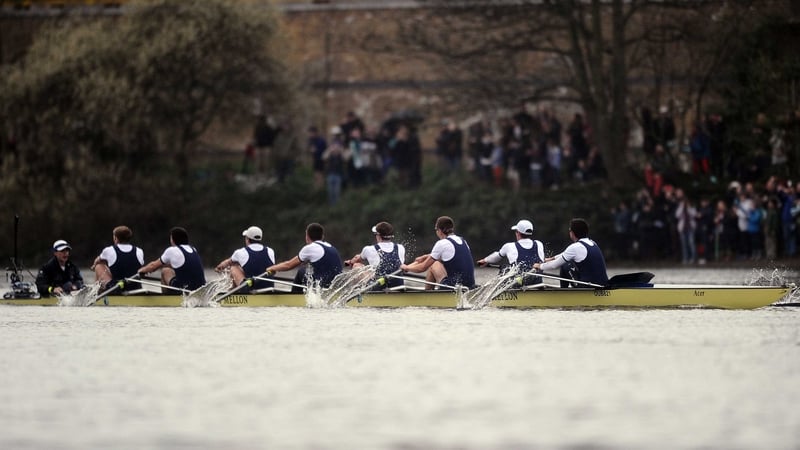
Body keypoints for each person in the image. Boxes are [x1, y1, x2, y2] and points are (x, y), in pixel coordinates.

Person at [400, 216, 476, 290]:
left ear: (439, 230)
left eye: (436, 230)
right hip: (469, 287)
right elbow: (448, 256)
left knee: (433, 264)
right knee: (435, 262)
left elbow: (422, 268)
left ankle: (427, 296)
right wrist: (425, 257)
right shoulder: (463, 241)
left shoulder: (441, 243)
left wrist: (407, 268)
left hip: (454, 287)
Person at [532, 218, 608, 287]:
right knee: (567, 262)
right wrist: (551, 258)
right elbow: (565, 254)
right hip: (603, 284)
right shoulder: (593, 242)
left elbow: (554, 266)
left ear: (572, 233)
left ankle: (564, 293)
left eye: (569, 230)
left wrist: (539, 266)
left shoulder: (575, 247)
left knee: (565, 264)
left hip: (589, 287)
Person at [265, 223, 342, 291]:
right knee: (308, 271)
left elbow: (288, 265)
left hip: (323, 285)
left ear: (307, 236)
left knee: (301, 271)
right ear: (322, 236)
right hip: (336, 285)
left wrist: (272, 268)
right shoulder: (331, 247)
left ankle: (294, 297)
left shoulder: (310, 248)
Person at [477, 219, 544, 286]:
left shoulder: (509, 246)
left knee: (505, 272)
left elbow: (496, 257)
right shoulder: (539, 244)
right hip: (537, 283)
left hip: (519, 284)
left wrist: (485, 260)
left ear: (518, 233)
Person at [138, 227, 206, 292]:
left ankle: (167, 299)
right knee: (171, 270)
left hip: (185, 290)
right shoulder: (193, 249)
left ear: (173, 239)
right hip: (201, 289)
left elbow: (153, 266)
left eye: (170, 238)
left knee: (165, 271)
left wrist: (141, 271)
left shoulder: (172, 250)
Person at [344, 221, 406, 289]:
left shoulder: (368, 249)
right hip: (398, 287)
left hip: (378, 288)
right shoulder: (401, 247)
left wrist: (350, 262)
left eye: (375, 234)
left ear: (378, 236)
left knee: (356, 266)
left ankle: (357, 292)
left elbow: (357, 258)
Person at [215, 226, 276, 292]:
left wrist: (218, 268)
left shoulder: (240, 252)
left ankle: (233, 293)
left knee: (234, 268)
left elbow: (227, 263)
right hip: (269, 288)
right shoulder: (270, 251)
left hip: (251, 289)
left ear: (247, 239)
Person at [92, 226, 145, 292]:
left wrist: (94, 266)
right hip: (135, 287)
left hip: (117, 288)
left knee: (99, 266)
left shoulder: (108, 250)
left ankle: (96, 293)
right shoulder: (139, 251)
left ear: (115, 238)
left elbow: (97, 261)